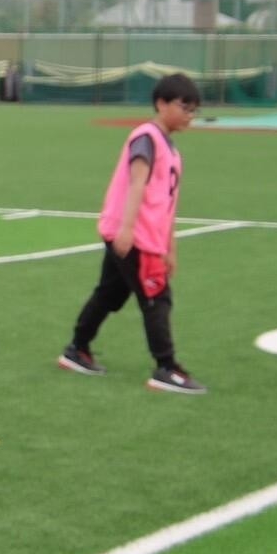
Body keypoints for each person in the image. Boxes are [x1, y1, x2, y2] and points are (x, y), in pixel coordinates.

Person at [56, 72, 207, 394]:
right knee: (157, 298)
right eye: (184, 107)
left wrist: (170, 246)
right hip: (134, 235)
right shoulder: (147, 137)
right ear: (161, 104)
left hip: (144, 235)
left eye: (193, 110)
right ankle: (166, 367)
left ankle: (77, 349)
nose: (189, 115)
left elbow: (167, 203)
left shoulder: (172, 151)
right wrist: (126, 229)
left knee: (109, 294)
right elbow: (137, 183)